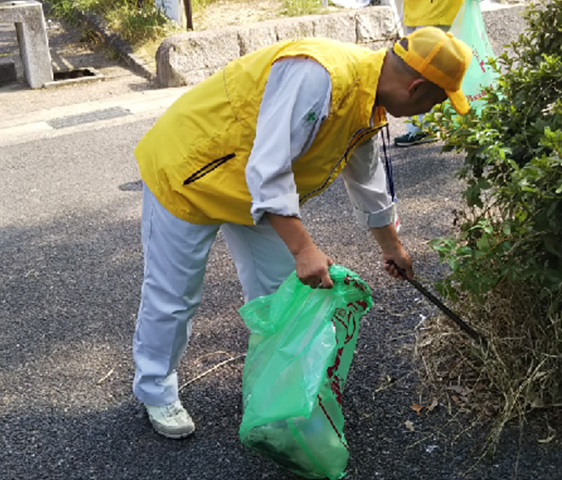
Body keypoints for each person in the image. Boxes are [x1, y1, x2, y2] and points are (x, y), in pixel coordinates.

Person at [132, 27, 471, 439]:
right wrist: (303, 247)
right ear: (416, 87)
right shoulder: (319, 76)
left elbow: (367, 181)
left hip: (249, 189)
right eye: (434, 101)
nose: (425, 113)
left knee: (283, 295)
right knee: (175, 294)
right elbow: (269, 169)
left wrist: (392, 248)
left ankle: (275, 390)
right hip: (188, 170)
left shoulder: (368, 101)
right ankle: (156, 390)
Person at [393, 0, 464, 147]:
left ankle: (428, 127)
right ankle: (424, 127)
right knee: (415, 69)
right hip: (417, 10)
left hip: (437, 10)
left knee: (429, 72)